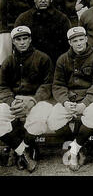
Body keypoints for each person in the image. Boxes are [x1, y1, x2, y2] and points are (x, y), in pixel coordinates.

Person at [47, 27, 93, 171]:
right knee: (53, 119)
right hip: (69, 99)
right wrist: (65, 101)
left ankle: (73, 150)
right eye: (75, 41)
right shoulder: (63, 59)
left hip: (88, 98)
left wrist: (85, 103)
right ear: (70, 43)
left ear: (86, 39)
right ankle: (78, 145)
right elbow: (58, 85)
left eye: (81, 39)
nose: (79, 43)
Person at [0, 26, 53, 173]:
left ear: (30, 40)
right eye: (18, 39)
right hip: (14, 102)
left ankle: (20, 150)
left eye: (25, 39)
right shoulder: (8, 61)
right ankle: (23, 152)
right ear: (13, 42)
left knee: (40, 120)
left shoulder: (43, 58)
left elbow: (48, 84)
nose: (22, 42)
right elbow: (2, 86)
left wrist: (33, 100)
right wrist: (11, 101)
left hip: (36, 101)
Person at [15, 0, 71, 65]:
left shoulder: (62, 19)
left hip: (54, 61)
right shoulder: (23, 18)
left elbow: (67, 46)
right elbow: (17, 45)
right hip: (30, 63)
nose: (43, 0)